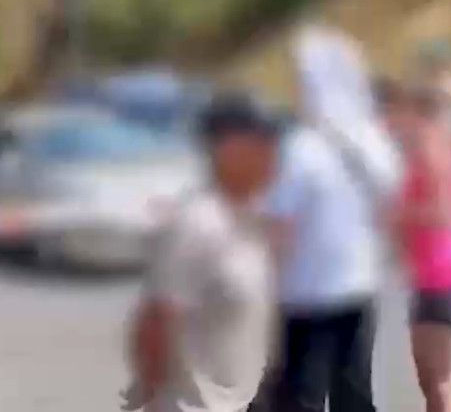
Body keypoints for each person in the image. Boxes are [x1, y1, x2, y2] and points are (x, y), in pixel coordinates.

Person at [121, 92, 281, 412]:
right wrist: (152, 399)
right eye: (261, 147)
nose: (272, 159)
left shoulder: (248, 219)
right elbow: (154, 323)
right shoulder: (196, 224)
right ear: (225, 150)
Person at [261, 69, 401, 412]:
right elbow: (391, 209)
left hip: (308, 288)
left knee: (301, 389)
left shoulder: (301, 147)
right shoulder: (374, 143)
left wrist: (268, 280)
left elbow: (281, 222)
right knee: (353, 386)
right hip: (359, 283)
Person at [380, 82, 451, 412]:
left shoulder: (429, 151)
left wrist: (398, 215)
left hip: (437, 277)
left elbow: (442, 212)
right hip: (442, 274)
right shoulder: (442, 149)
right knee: (438, 379)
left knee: (436, 379)